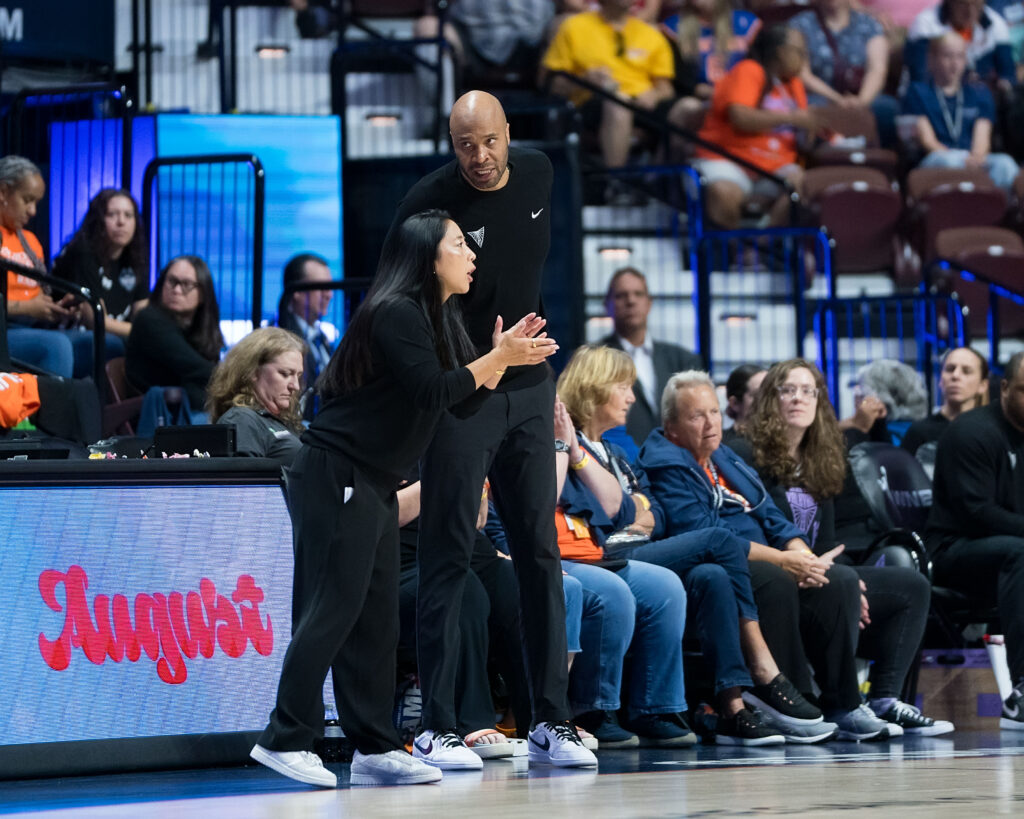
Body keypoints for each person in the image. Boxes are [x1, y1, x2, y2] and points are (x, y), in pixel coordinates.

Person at [250, 209, 559, 788]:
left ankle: (374, 745)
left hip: (375, 480)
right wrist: (493, 361)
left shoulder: (437, 317)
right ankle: (285, 737)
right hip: (337, 471)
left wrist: (498, 363)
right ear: (427, 257)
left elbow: (456, 405)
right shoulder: (394, 312)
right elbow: (432, 388)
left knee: (376, 620)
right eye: (459, 246)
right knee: (332, 610)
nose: (472, 255)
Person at [391, 92, 598, 769]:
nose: (478, 158)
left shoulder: (539, 172)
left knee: (539, 553)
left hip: (532, 390)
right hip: (465, 396)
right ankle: (438, 725)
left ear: (510, 135)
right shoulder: (429, 202)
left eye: (489, 142)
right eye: (463, 145)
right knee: (449, 555)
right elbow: (400, 297)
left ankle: (551, 720)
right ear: (450, 144)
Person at [557, 345, 832, 745]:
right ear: (595, 389)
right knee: (719, 540)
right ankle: (762, 668)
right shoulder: (567, 446)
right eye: (625, 387)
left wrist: (632, 512)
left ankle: (722, 706)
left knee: (712, 575)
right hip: (603, 554)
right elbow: (604, 514)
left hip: (628, 551)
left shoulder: (617, 451)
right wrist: (631, 512)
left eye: (714, 413)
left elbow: (655, 516)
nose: (632, 397)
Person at [638, 370, 895, 741]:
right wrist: (781, 560)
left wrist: (801, 555)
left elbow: (771, 516)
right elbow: (703, 532)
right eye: (697, 416)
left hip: (764, 556)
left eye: (714, 412)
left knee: (837, 579)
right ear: (671, 425)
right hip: (716, 565)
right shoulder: (665, 462)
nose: (711, 423)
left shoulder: (724, 456)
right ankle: (785, 695)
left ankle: (844, 703)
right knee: (773, 578)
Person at [734, 358, 953, 735]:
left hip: (824, 571)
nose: (798, 399)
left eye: (808, 391)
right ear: (772, 399)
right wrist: (836, 576)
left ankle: (884, 699)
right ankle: (842, 706)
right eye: (788, 390)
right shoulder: (746, 455)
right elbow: (754, 532)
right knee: (843, 582)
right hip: (777, 573)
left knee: (911, 586)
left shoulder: (824, 454)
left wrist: (849, 577)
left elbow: (834, 540)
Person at [553, 393, 695, 748]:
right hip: (553, 558)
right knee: (611, 591)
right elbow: (540, 505)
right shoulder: (527, 443)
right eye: (622, 386)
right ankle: (592, 709)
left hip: (598, 553)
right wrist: (558, 444)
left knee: (665, 587)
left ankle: (654, 707)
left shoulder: (590, 451)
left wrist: (574, 450)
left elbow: (620, 507)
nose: (632, 396)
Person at [926, 351, 1024, 730]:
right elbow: (977, 514)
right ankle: (1021, 694)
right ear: (1003, 389)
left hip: (1005, 548)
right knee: (1020, 554)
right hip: (954, 549)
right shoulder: (972, 432)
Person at [542, 0, 693, 197]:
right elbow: (552, 84)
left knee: (689, 107)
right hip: (591, 102)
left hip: (642, 103)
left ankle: (658, 182)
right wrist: (585, 79)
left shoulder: (651, 33)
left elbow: (666, 87)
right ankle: (615, 185)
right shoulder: (574, 26)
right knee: (618, 103)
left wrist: (655, 94)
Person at [693, 25, 819, 229]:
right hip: (728, 159)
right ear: (781, 51)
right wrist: (791, 118)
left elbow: (802, 135)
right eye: (800, 51)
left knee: (801, 184)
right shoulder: (750, 70)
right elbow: (740, 117)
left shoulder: (794, 85)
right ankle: (733, 253)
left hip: (773, 166)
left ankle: (759, 243)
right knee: (724, 193)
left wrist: (811, 126)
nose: (805, 58)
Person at [1, 155, 95, 379]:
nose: (33, 211)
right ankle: (52, 414)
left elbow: (37, 296)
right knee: (56, 346)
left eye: (37, 203)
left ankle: (89, 413)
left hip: (33, 327)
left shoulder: (31, 241)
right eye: (27, 200)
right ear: (3, 192)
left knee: (101, 342)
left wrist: (53, 310)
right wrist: (26, 308)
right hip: (5, 328)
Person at [600, 266, 703, 450]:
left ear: (649, 302)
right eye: (621, 295)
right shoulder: (595, 360)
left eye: (638, 294)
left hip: (676, 461)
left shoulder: (683, 360)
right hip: (620, 463)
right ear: (607, 304)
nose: (631, 301)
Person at [903, 32, 1019, 190]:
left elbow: (982, 137)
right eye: (947, 56)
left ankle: (998, 210)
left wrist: (976, 157)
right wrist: (961, 159)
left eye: (960, 56)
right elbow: (928, 141)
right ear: (931, 59)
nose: (954, 63)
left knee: (1005, 163)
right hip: (937, 158)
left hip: (971, 158)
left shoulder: (979, 93)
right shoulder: (918, 92)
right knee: (950, 162)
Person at [788, 0, 899, 147]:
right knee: (808, 108)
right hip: (820, 96)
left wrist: (861, 101)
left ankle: (884, 164)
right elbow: (802, 73)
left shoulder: (869, 24)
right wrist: (838, 99)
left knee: (887, 108)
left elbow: (877, 70)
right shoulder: (800, 24)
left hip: (864, 95)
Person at [52, 188, 150, 349]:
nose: (121, 222)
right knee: (117, 345)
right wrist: (146, 333)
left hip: (119, 334)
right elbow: (96, 321)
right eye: (112, 214)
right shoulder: (82, 252)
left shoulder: (136, 258)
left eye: (128, 215)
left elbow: (143, 313)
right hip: (70, 334)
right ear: (98, 220)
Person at [125, 255, 225, 410]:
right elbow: (193, 366)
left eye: (186, 284)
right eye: (172, 281)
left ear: (203, 293)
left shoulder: (201, 327)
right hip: (159, 413)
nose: (177, 290)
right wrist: (236, 378)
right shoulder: (149, 320)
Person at [206, 326, 306, 466]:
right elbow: (245, 484)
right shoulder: (242, 419)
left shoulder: (282, 420)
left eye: (298, 376)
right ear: (253, 372)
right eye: (285, 374)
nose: (295, 386)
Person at [906, 0, 1016, 89]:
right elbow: (920, 78)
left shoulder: (996, 24)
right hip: (934, 97)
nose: (970, 11)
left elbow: (1007, 74)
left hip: (982, 99)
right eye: (963, 4)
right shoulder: (926, 25)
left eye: (976, 4)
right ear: (950, 3)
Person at [277, 252, 335, 418]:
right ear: (296, 291)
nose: (329, 294)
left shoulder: (321, 338)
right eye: (321, 287)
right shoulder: (279, 336)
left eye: (330, 287)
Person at [902, 346, 989, 454]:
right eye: (950, 369)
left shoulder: (991, 433)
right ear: (941, 380)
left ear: (983, 385)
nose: (955, 376)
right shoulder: (919, 432)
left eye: (966, 371)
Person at [722, 363, 766, 443]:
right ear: (735, 403)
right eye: (757, 395)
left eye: (771, 392)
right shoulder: (728, 446)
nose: (768, 399)